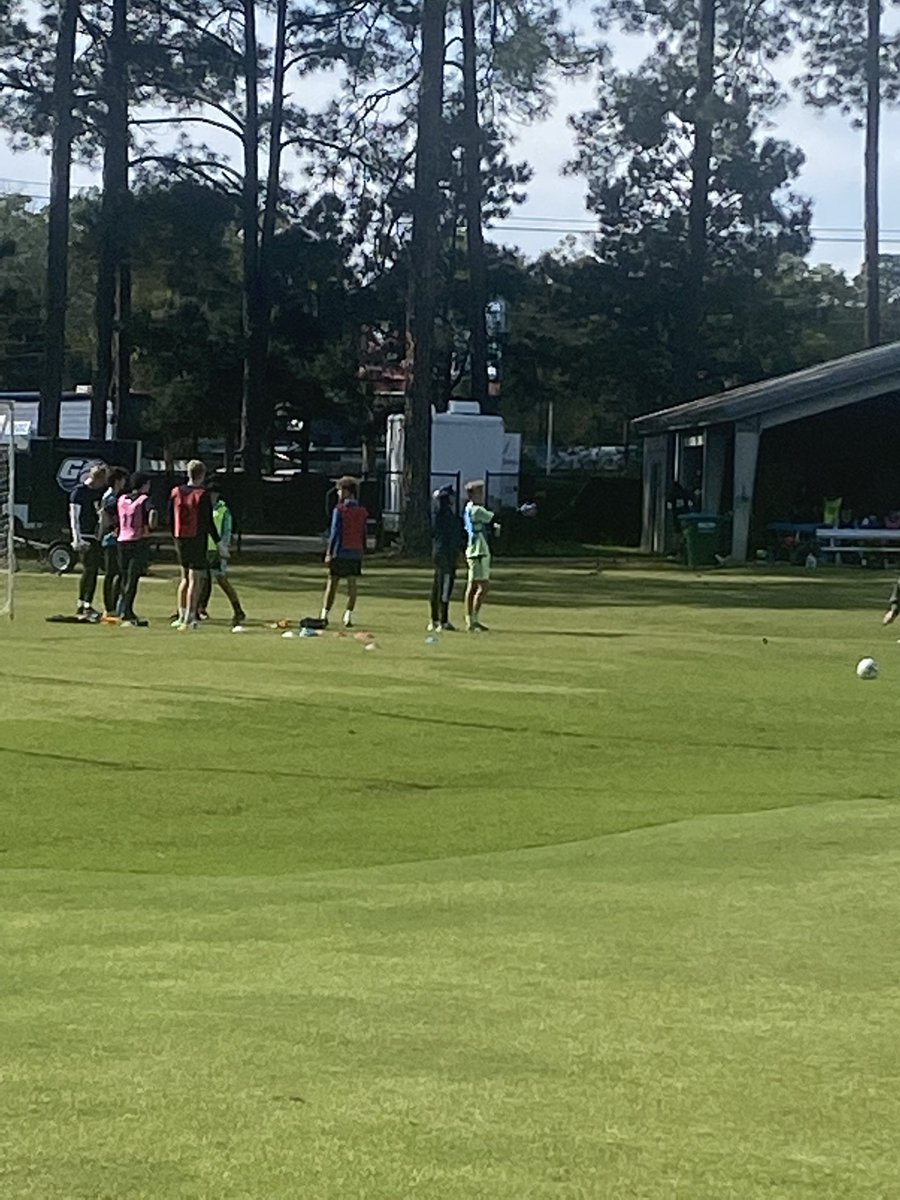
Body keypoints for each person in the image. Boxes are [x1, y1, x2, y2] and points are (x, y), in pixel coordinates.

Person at [168, 459, 221, 630]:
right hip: (197, 537)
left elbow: (169, 515)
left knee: (184, 578)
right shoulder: (202, 494)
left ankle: (181, 613)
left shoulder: (176, 491)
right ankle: (190, 616)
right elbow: (207, 521)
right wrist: (219, 541)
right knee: (195, 579)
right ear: (202, 475)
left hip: (180, 537)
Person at [197, 479, 246, 629]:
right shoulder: (203, 506)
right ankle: (199, 608)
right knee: (202, 580)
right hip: (204, 548)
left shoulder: (223, 509)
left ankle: (237, 609)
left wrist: (224, 547)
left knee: (221, 579)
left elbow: (226, 529)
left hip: (217, 550)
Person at [321, 476, 368, 628]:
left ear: (347, 492)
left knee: (332, 583)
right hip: (355, 551)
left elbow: (335, 533)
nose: (338, 494)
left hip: (340, 551)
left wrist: (329, 552)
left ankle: (324, 614)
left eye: (340, 491)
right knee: (352, 584)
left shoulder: (340, 510)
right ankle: (348, 615)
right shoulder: (362, 511)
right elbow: (363, 532)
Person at [117, 473, 158, 625]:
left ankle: (121, 607)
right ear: (144, 485)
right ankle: (127, 610)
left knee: (124, 576)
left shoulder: (122, 499)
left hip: (122, 540)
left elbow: (107, 512)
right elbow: (152, 513)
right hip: (138, 540)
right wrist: (152, 526)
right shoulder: (144, 499)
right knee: (133, 578)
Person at [69, 463, 108, 621]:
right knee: (89, 569)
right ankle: (83, 603)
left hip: (95, 535)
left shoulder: (98, 493)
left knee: (93, 571)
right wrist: (77, 538)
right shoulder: (79, 492)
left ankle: (86, 603)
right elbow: (74, 517)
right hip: (84, 536)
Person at [429, 485, 465, 631]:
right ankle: (441, 620)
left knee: (438, 584)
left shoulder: (444, 515)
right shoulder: (444, 515)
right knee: (444, 585)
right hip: (446, 553)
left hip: (442, 552)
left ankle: (436, 618)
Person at [98, 466, 130, 623]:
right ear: (117, 480)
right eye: (123, 479)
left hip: (118, 539)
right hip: (110, 540)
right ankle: (109, 607)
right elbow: (106, 518)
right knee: (111, 574)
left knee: (118, 573)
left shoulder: (118, 496)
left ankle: (116, 605)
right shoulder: (111, 498)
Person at [463, 479, 496, 633]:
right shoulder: (476, 510)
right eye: (480, 492)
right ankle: (472, 619)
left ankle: (472, 619)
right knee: (482, 586)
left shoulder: (469, 508)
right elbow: (492, 517)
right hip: (478, 550)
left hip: (476, 549)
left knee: (475, 585)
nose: (483, 495)